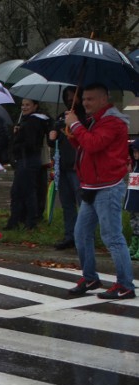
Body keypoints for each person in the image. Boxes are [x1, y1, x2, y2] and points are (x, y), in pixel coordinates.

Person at [64, 84, 135, 300]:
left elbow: (94, 144)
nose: (85, 103)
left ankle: (125, 285)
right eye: (84, 99)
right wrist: (72, 132)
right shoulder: (98, 120)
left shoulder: (113, 122)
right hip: (92, 186)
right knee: (81, 234)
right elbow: (86, 147)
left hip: (108, 187)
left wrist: (75, 125)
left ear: (104, 99)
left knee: (112, 237)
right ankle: (90, 277)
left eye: (90, 99)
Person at [48, 87, 84, 250]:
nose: (70, 100)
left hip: (76, 166)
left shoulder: (83, 116)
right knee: (67, 204)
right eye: (67, 97)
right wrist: (54, 131)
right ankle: (70, 235)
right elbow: (52, 141)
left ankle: (83, 236)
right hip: (62, 166)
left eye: (73, 97)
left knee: (81, 203)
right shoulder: (62, 115)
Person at [6, 99, 50, 230]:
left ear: (35, 106)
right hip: (26, 159)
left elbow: (30, 143)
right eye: (23, 105)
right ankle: (18, 220)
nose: (24, 108)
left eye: (27, 105)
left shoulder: (33, 121)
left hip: (28, 159)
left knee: (27, 191)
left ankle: (30, 221)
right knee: (19, 191)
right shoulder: (28, 121)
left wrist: (18, 137)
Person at [128, 139, 139, 260]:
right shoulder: (134, 166)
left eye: (137, 152)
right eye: (134, 152)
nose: (135, 154)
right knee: (134, 223)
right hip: (133, 199)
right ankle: (134, 245)